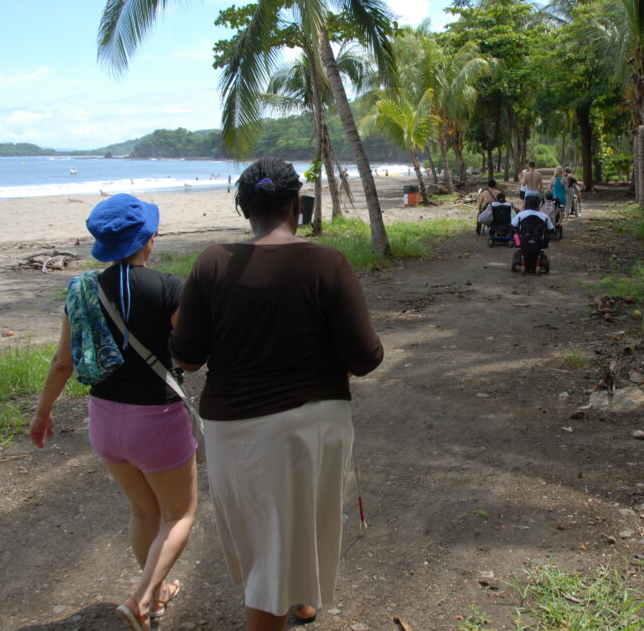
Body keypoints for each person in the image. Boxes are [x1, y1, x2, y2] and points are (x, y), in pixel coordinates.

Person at [169, 157, 384, 631]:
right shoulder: (326, 262)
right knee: (300, 520)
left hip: (234, 427)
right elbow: (367, 356)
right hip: (312, 421)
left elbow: (187, 357)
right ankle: (293, 603)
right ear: (296, 205)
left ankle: (301, 599)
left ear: (245, 208)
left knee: (268, 535)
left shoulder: (211, 263)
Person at [29, 194, 197, 631]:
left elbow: (62, 362)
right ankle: (142, 599)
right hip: (156, 422)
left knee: (144, 512)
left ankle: (158, 592)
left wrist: (42, 414)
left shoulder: (81, 289)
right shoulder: (169, 288)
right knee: (180, 515)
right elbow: (194, 352)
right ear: (150, 238)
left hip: (104, 422)